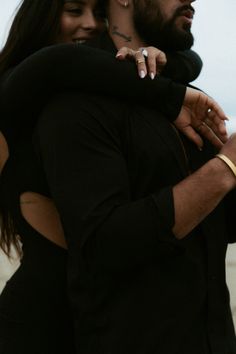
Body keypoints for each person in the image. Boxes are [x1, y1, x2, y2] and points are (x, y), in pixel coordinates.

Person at [0, 0, 216, 353]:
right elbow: (58, 64)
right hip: (40, 319)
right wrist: (170, 93)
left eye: (99, 15)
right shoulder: (18, 88)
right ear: (39, 20)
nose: (92, 25)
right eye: (74, 11)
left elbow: (188, 63)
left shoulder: (88, 85)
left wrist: (157, 60)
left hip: (99, 316)